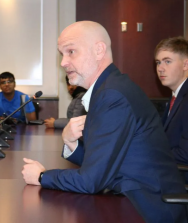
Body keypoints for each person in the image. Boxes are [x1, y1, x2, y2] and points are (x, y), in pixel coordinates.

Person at [21, 21, 187, 223]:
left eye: (71, 51)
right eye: (61, 54)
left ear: (99, 50)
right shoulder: (109, 88)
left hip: (148, 207)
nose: (63, 62)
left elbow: (92, 181)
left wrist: (42, 176)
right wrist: (72, 144)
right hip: (131, 197)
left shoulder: (112, 95)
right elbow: (102, 163)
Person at [155, 36, 188, 180]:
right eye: (158, 62)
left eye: (167, 61)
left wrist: (149, 152)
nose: (160, 68)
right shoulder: (176, 96)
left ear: (185, 64)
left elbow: (185, 154)